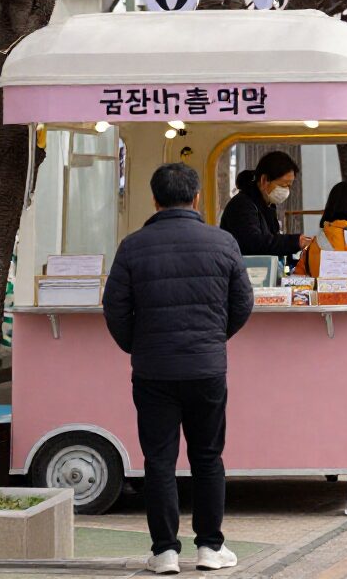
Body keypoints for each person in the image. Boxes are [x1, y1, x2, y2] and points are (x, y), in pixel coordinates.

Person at [103, 163, 254, 575]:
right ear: (197, 198)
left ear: (155, 199)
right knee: (208, 457)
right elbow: (243, 304)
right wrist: (212, 339)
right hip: (207, 369)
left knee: (159, 460)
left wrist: (138, 345)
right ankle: (209, 547)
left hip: (153, 371)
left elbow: (114, 308)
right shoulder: (222, 243)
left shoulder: (133, 246)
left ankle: (165, 552)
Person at [219, 151, 313, 259]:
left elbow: (271, 239)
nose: (286, 191)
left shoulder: (267, 205)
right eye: (283, 185)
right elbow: (254, 243)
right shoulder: (242, 205)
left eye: (289, 186)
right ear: (264, 180)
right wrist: (295, 242)